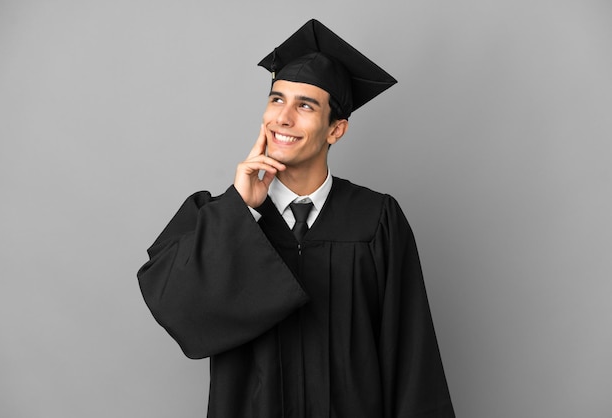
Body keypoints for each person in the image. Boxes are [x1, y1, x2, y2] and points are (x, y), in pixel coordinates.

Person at [138, 19, 455, 418]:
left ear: (335, 129)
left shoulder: (376, 220)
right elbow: (179, 311)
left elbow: (411, 356)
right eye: (276, 100)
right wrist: (241, 210)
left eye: (304, 105)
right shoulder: (219, 215)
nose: (283, 118)